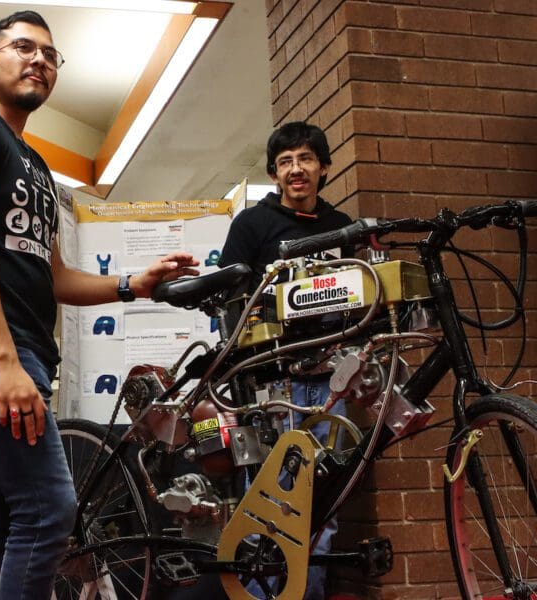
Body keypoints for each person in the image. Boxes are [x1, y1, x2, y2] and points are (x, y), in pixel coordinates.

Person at [0, 11, 198, 600]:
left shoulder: (36, 167)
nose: (39, 59)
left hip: (12, 353)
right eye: (23, 47)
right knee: (49, 512)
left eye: (49, 53)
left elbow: (56, 275)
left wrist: (132, 284)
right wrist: (3, 359)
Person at [218, 121, 353, 600]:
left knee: (324, 506)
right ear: (275, 174)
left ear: (324, 167)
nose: (296, 170)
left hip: (333, 382)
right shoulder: (251, 226)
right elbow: (226, 303)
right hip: (274, 385)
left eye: (306, 159)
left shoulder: (342, 228)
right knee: (270, 503)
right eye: (286, 162)